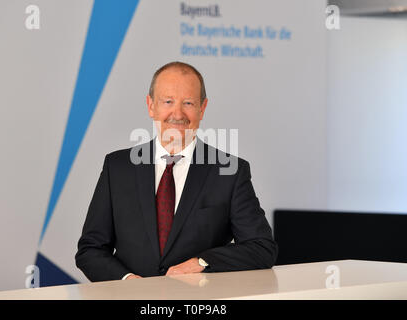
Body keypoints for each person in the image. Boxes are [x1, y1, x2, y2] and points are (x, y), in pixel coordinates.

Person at [75, 61, 278, 281]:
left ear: (203, 108)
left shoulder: (230, 171)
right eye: (168, 101)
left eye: (188, 103)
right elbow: (90, 250)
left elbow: (262, 248)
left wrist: (202, 262)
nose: (178, 113)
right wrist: (127, 282)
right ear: (151, 105)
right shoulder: (117, 167)